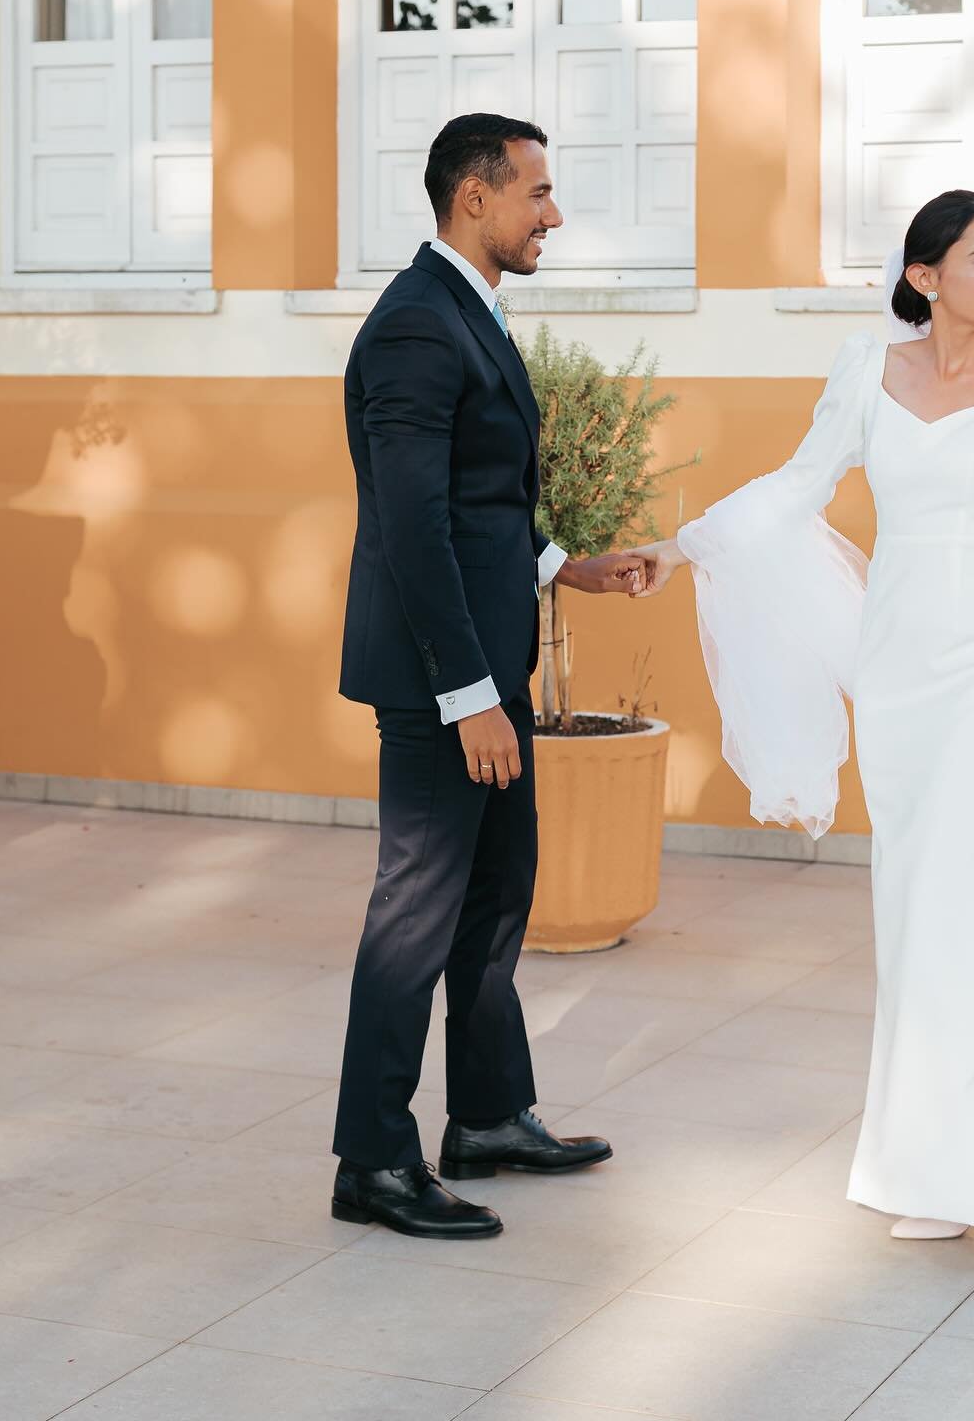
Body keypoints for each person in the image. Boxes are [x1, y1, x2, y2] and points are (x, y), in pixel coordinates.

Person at [634, 190, 974, 1239]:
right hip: (897, 668)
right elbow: (798, 486)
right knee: (910, 906)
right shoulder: (865, 374)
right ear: (924, 277)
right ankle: (938, 1170)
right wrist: (680, 547)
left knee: (954, 900)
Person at [332, 113, 645, 1240]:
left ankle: (488, 1117)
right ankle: (371, 1161)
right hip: (437, 682)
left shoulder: (468, 309)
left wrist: (569, 565)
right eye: (538, 194)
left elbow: (475, 503)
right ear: (475, 197)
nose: (552, 215)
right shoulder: (420, 325)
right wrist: (469, 694)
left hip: (480, 662)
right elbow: (409, 524)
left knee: (496, 894)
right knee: (413, 915)